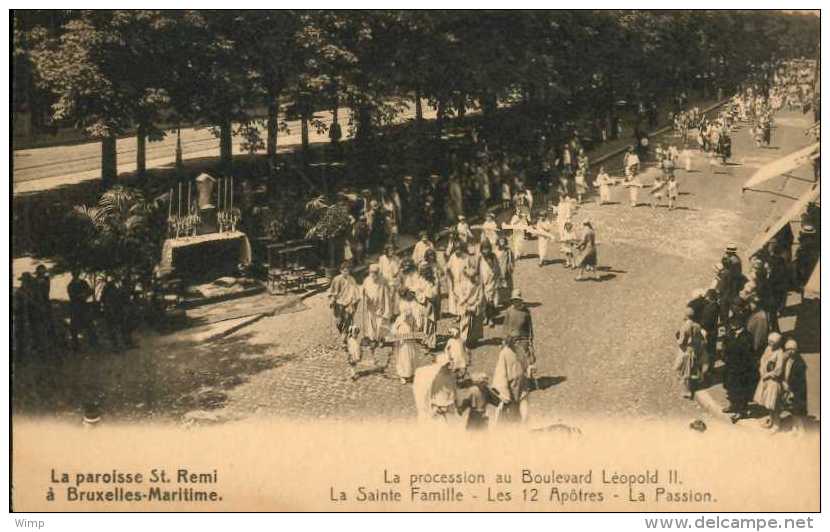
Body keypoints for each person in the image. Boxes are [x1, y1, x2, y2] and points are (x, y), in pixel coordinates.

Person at [722, 316, 756, 423]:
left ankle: (741, 411)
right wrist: (725, 357)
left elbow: (748, 354)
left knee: (741, 390)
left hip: (742, 369)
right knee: (730, 388)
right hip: (730, 366)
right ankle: (732, 405)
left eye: (734, 324)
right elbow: (725, 346)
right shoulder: (730, 334)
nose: (732, 327)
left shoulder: (747, 336)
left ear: (739, 325)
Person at [491, 336, 530, 424]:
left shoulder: (520, 350)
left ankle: (523, 425)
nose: (517, 343)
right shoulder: (504, 353)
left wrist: (528, 369)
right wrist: (504, 391)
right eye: (515, 341)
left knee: (523, 407)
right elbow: (501, 372)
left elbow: (524, 363)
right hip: (509, 386)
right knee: (506, 409)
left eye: (518, 340)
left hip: (521, 384)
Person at [502, 289, 536, 385]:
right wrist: (504, 338)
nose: (516, 302)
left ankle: (526, 381)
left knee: (523, 360)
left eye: (517, 300)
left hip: (523, 340)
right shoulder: (509, 311)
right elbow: (505, 325)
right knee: (510, 361)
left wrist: (530, 339)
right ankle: (513, 380)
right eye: (514, 300)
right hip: (510, 340)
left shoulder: (526, 312)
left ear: (521, 300)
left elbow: (529, 327)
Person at [753, 332, 785, 431]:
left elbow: (778, 370)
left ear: (778, 343)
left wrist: (767, 375)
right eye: (769, 341)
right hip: (764, 379)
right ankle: (771, 420)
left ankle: (777, 424)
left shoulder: (780, 353)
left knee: (773, 403)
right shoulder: (768, 349)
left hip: (773, 382)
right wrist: (762, 371)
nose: (770, 344)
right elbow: (763, 360)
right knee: (767, 403)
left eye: (772, 342)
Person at [360, 264, 392, 352]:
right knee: (371, 323)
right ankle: (373, 340)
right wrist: (363, 294)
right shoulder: (367, 280)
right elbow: (363, 290)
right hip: (370, 305)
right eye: (371, 273)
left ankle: (380, 339)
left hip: (380, 305)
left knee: (380, 323)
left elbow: (386, 295)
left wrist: (387, 308)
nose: (373, 275)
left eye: (375, 273)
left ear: (378, 273)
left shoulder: (383, 280)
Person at [328, 261, 360, 344]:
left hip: (349, 303)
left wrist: (355, 300)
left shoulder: (351, 279)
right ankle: (342, 332)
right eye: (344, 271)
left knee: (347, 319)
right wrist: (332, 300)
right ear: (341, 271)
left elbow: (356, 290)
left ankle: (345, 336)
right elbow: (332, 291)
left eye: (347, 271)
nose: (346, 272)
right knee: (338, 321)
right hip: (339, 303)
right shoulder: (336, 279)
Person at [675, 307, 705, 399]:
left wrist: (678, 341)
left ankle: (687, 391)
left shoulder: (685, 327)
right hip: (695, 349)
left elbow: (681, 342)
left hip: (686, 351)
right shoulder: (697, 326)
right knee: (692, 368)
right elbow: (700, 338)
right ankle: (695, 383)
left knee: (684, 371)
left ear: (686, 316)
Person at [67, 270, 98, 352]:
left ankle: (94, 344)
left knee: (90, 325)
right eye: (75, 273)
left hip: (83, 307)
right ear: (72, 274)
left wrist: (85, 295)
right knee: (74, 328)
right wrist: (82, 295)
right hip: (75, 308)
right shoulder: (70, 285)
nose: (76, 274)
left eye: (77, 273)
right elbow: (72, 296)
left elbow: (90, 291)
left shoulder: (83, 282)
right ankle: (76, 347)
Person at [782, 339, 808, 435]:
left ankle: (801, 429)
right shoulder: (788, 360)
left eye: (793, 349)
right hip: (789, 388)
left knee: (798, 410)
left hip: (797, 390)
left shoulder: (799, 362)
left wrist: (791, 389)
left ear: (796, 350)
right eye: (788, 349)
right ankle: (794, 428)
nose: (790, 351)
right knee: (792, 410)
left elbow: (798, 380)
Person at [456, 265, 484, 348]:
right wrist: (465, 304)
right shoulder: (463, 284)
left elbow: (480, 296)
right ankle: (464, 340)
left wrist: (476, 304)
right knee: (465, 323)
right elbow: (460, 295)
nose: (471, 278)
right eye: (469, 276)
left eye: (473, 276)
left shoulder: (478, 285)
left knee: (475, 324)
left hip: (475, 306)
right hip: (466, 306)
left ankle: (473, 340)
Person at [391, 305, 420, 384]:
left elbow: (415, 328)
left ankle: (410, 374)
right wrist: (397, 335)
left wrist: (416, 332)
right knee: (402, 359)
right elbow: (393, 330)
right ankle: (402, 375)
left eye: (409, 313)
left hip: (410, 343)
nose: (408, 315)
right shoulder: (399, 319)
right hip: (402, 344)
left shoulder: (412, 318)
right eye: (406, 313)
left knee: (411, 358)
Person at [478, 240, 501, 327]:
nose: (485, 251)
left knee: (490, 302)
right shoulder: (480, 258)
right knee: (483, 302)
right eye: (484, 249)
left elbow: (497, 268)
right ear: (481, 249)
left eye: (487, 249)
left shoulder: (493, 257)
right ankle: (485, 317)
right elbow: (477, 268)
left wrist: (497, 277)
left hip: (491, 282)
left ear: (490, 249)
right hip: (482, 282)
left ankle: (491, 318)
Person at [494, 236, 514, 308]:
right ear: (498, 242)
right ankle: (498, 300)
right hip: (498, 270)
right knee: (498, 286)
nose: (502, 242)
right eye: (500, 241)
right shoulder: (495, 251)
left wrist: (511, 267)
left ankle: (506, 300)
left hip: (506, 270)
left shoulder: (508, 251)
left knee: (507, 286)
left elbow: (512, 260)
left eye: (503, 241)